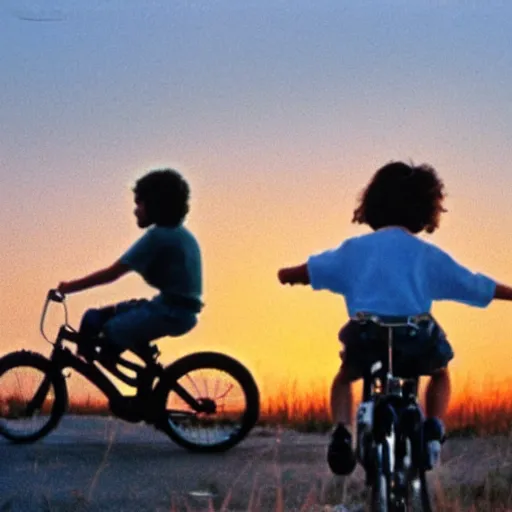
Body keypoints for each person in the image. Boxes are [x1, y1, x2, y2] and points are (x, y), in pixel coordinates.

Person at [278, 161, 512, 475]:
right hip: (415, 338)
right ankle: (433, 427)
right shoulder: (425, 254)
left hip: (367, 335)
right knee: (440, 373)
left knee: (345, 378)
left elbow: (313, 270)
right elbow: (472, 284)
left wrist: (289, 275)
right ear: (426, 209)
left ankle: (342, 432)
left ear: (372, 203)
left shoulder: (356, 249)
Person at [57, 168, 203, 360]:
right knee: (94, 318)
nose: (135, 210)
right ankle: (133, 367)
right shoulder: (180, 233)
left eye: (139, 204)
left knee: (107, 329)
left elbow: (112, 274)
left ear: (155, 204)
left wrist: (69, 287)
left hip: (169, 313)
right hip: (172, 309)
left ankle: (96, 364)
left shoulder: (158, 236)